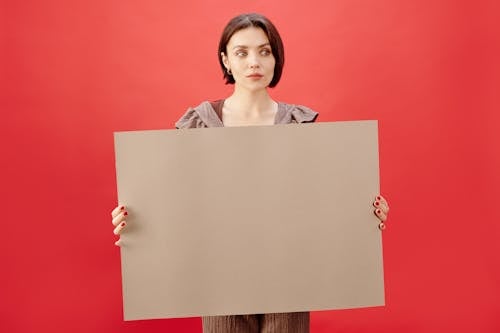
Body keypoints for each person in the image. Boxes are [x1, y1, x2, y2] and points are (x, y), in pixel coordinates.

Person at [111, 13, 390, 333]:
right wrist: (134, 222)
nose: (253, 62)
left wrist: (368, 214)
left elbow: (323, 203)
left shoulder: (299, 125)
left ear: (276, 58)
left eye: (264, 51)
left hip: (289, 279)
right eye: (241, 52)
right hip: (219, 280)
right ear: (226, 60)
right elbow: (177, 202)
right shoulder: (198, 124)